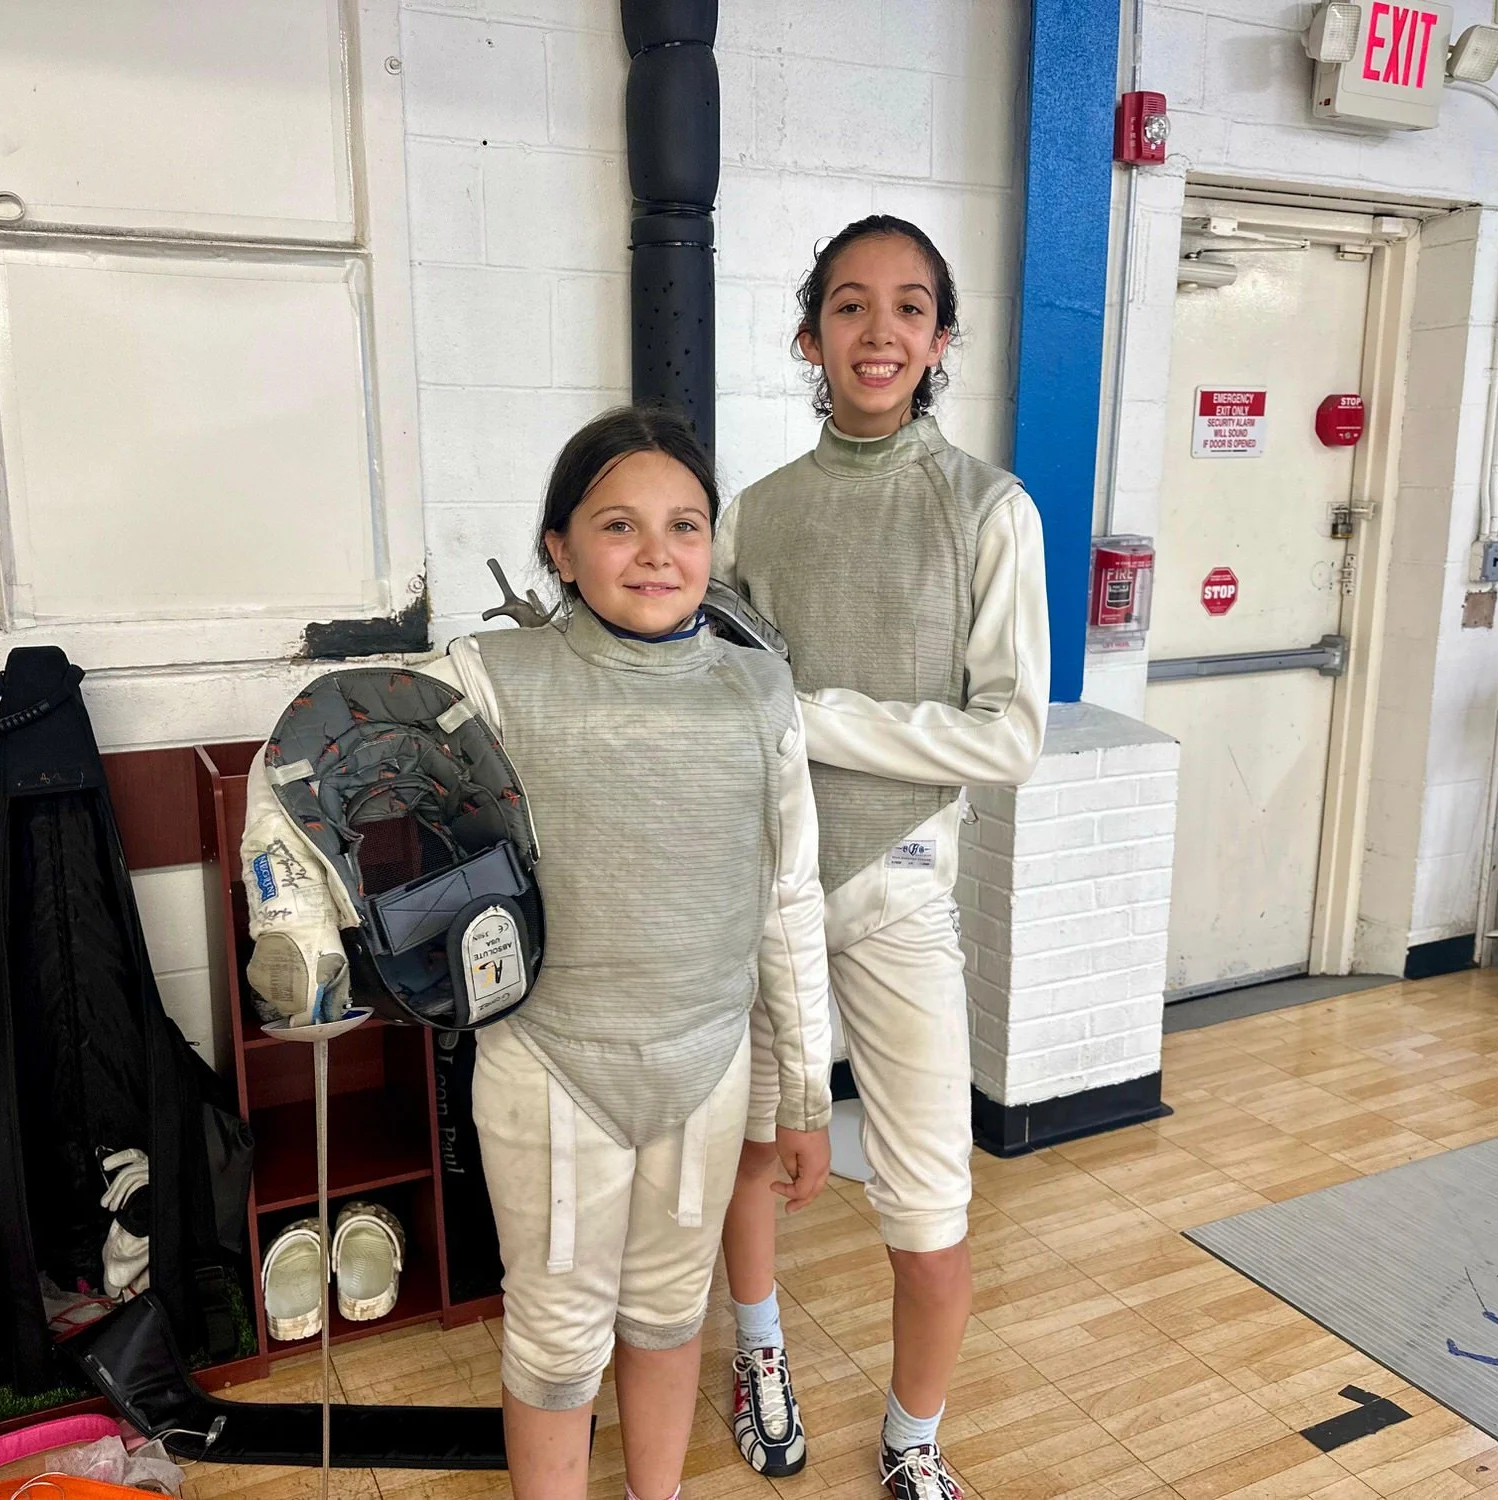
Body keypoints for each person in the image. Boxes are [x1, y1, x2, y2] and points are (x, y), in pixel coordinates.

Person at [427, 406, 835, 1500]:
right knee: (558, 1344)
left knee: (667, 1315)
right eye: (618, 525)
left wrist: (803, 1093)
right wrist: (295, 908)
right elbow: (338, 749)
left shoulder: (758, 690)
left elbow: (786, 903)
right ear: (558, 547)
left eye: (684, 525)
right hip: (551, 1065)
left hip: (705, 1066)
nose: (657, 553)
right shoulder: (491, 674)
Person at [714, 216, 1050, 1500]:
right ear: (810, 337)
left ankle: (914, 1438)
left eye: (907, 309)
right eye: (849, 308)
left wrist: (816, 714)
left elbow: (1008, 734)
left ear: (939, 341)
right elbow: (715, 691)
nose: (878, 332)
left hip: (899, 881)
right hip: (763, 891)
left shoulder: (985, 509)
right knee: (749, 1148)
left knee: (927, 1200)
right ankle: (758, 1358)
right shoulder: (755, 513)